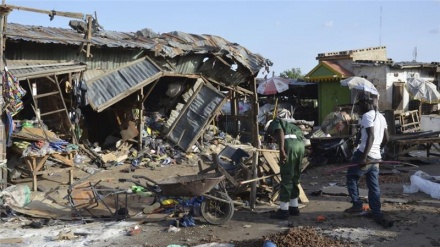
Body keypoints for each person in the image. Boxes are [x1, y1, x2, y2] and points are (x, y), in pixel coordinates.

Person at [345, 94, 393, 228]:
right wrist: (378, 151)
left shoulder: (367, 116)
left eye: (360, 105)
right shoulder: (382, 117)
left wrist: (364, 157)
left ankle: (357, 205)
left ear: (367, 104)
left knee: (351, 177)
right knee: (373, 185)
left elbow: (371, 136)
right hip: (376, 157)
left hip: (365, 154)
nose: (359, 108)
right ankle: (376, 211)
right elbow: (387, 138)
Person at [266, 117, 305, 219]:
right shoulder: (290, 125)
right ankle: (294, 207)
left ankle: (283, 210)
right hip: (301, 146)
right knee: (295, 176)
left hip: (290, 146)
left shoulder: (275, 123)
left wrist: (282, 150)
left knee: (287, 177)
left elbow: (279, 131)